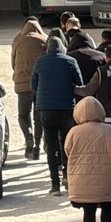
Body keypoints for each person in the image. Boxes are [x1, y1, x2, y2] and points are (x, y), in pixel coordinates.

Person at [31, 36, 83, 196]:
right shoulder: (70, 61)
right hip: (67, 107)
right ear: (62, 47)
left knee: (51, 145)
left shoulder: (40, 62)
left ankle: (55, 185)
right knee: (66, 144)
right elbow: (79, 81)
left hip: (46, 108)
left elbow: (33, 85)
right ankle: (67, 177)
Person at [64, 97, 111, 222]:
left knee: (89, 209)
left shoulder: (74, 131)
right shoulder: (109, 129)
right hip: (107, 176)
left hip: (83, 177)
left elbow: (67, 150)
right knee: (107, 205)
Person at [10, 17, 47, 160]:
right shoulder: (45, 39)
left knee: (23, 115)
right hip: (41, 84)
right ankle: (38, 145)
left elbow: (13, 63)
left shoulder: (18, 39)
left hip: (23, 84)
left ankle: (28, 136)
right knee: (39, 117)